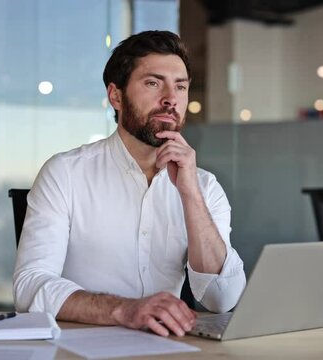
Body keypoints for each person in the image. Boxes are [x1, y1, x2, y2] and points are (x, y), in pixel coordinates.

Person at [13, 30, 246, 337]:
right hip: (81, 347)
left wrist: (190, 195)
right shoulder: (65, 173)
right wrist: (124, 310)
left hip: (168, 348)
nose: (170, 99)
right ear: (116, 96)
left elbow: (222, 299)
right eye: (153, 83)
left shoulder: (204, 186)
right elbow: (29, 285)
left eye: (180, 86)